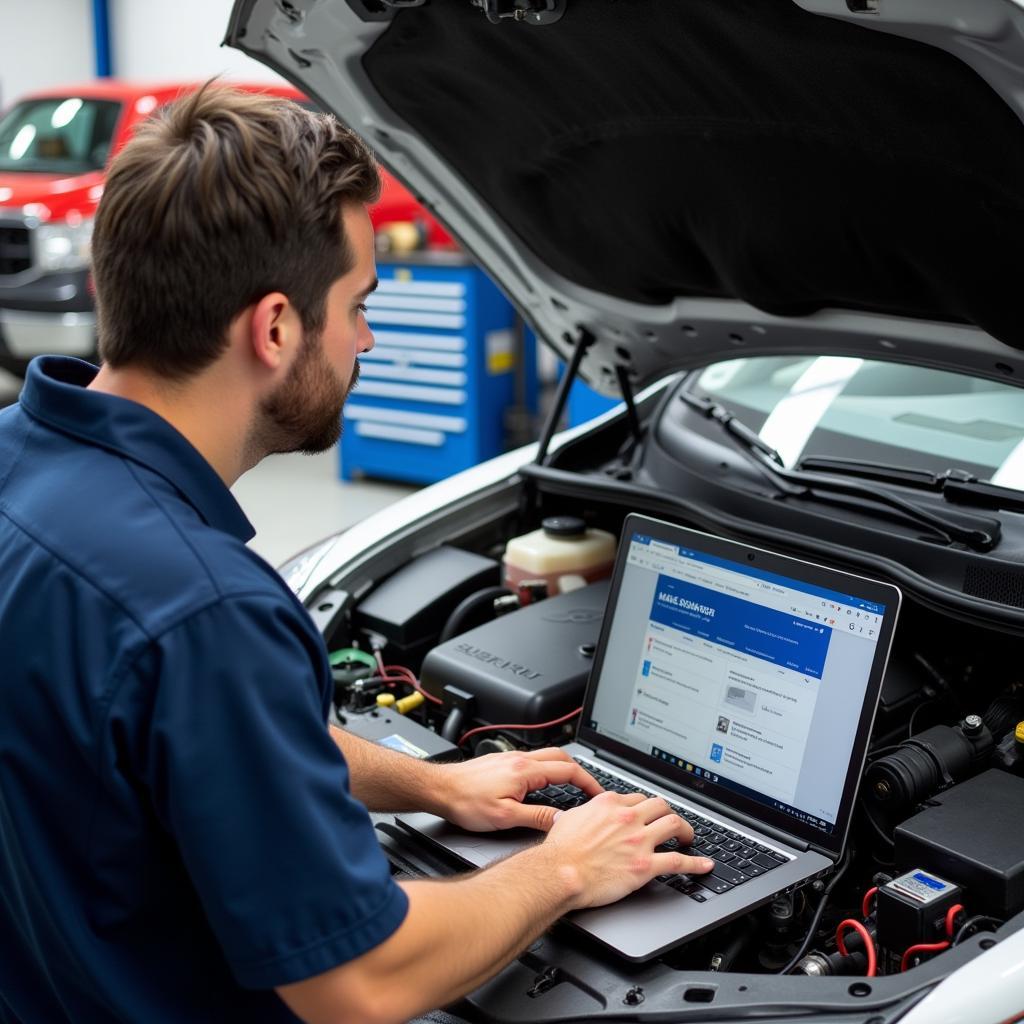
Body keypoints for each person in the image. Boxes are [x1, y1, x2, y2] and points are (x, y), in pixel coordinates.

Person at [0, 86, 712, 1024]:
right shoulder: (204, 611)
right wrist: (565, 868)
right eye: (358, 305)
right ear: (276, 328)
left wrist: (433, 784)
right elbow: (359, 983)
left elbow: (208, 748)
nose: (368, 338)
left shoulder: (19, 460)